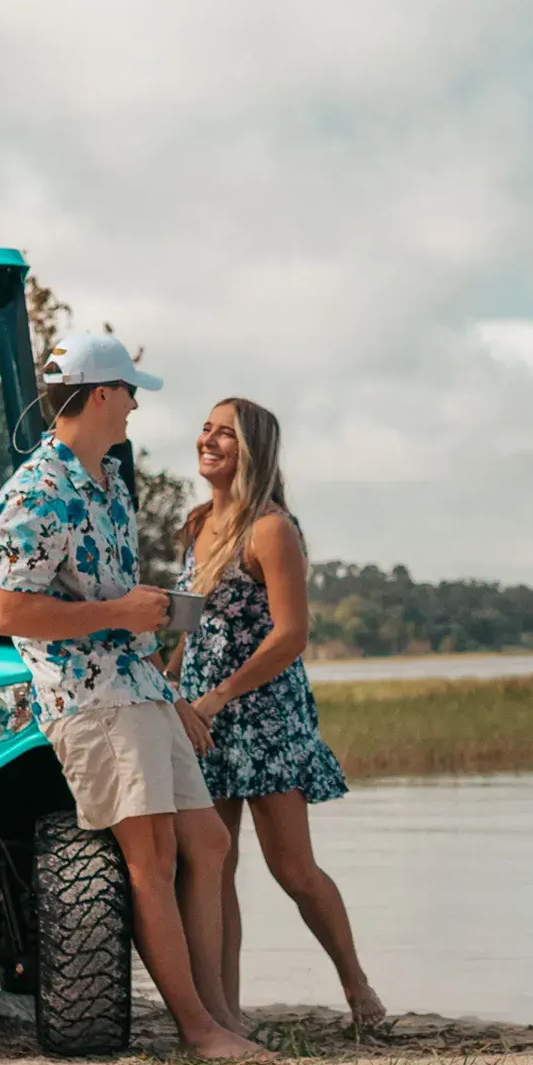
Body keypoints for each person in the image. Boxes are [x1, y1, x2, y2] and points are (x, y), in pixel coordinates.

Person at [0, 333, 264, 1060]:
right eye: (132, 390)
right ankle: (198, 1031)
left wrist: (167, 690)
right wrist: (118, 616)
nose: (139, 404)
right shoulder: (34, 493)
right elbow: (9, 614)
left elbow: (119, 604)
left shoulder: (108, 483)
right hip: (92, 702)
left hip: (138, 689)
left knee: (207, 843)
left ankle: (220, 1015)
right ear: (104, 393)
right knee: (153, 859)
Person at [169, 397, 385, 1028]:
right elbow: (191, 621)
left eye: (224, 434)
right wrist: (169, 675)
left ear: (251, 451)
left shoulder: (271, 529)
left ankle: (357, 987)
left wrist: (219, 694)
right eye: (205, 428)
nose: (207, 439)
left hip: (263, 715)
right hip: (202, 714)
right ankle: (227, 1012)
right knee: (214, 865)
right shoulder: (197, 523)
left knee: (292, 868)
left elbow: (290, 635)